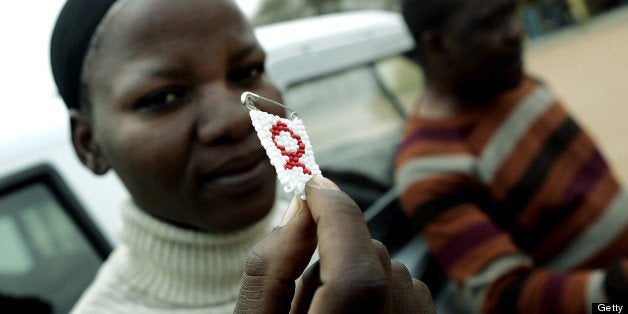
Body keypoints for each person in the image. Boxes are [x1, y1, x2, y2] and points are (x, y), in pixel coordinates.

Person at [49, 0, 435, 313]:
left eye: (248, 70)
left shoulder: (335, 236)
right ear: (89, 143)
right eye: (164, 97)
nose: (238, 118)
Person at [396, 0, 628, 312]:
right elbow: (503, 298)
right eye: (489, 23)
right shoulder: (429, 170)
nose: (516, 32)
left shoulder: (516, 82)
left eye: (510, 13)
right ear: (437, 45)